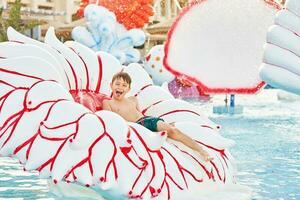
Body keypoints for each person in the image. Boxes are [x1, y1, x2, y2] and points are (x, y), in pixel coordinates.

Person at [103, 72, 213, 162]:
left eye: (124, 85)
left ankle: (202, 150)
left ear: (128, 88)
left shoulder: (133, 99)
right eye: (117, 84)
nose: (120, 87)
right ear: (111, 85)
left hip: (146, 122)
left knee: (173, 131)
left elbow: (142, 115)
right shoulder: (108, 103)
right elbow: (111, 120)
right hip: (134, 127)